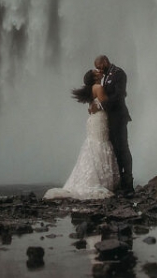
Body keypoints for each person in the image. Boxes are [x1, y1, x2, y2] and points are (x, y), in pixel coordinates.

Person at [43, 70, 120, 200]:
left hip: (93, 120)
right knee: (100, 145)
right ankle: (100, 180)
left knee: (94, 146)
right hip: (99, 119)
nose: (99, 71)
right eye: (96, 71)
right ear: (95, 77)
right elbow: (108, 105)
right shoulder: (98, 87)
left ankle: (94, 178)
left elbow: (97, 104)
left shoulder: (91, 89)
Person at [93, 55, 134, 195]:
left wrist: (101, 106)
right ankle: (118, 182)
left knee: (122, 148)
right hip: (109, 119)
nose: (99, 69)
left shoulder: (119, 73)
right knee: (114, 149)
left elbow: (119, 95)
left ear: (105, 61)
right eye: (97, 68)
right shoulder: (105, 76)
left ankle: (128, 184)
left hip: (119, 117)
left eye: (99, 66)